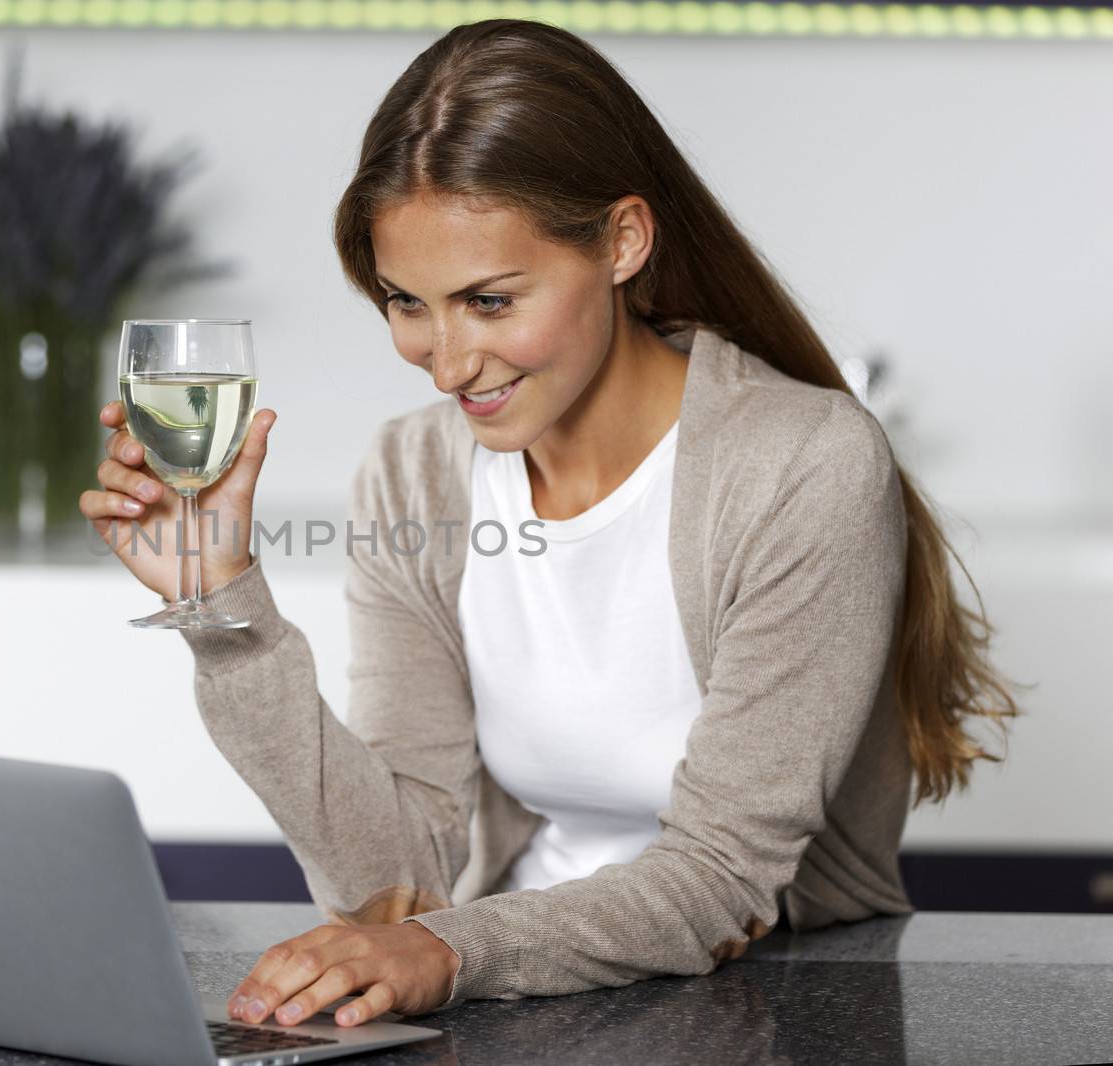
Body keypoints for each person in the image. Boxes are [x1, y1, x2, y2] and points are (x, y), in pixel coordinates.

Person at [79, 19, 1022, 1030]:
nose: (445, 365)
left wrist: (446, 950)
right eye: (407, 303)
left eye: (489, 301)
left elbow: (720, 881)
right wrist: (222, 612)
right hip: (513, 999)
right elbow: (399, 877)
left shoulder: (803, 464)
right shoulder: (413, 471)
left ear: (621, 241)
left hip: (770, 1009)